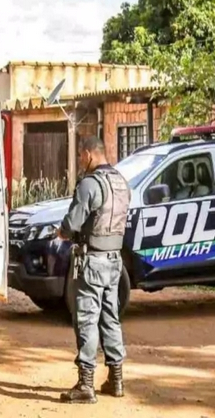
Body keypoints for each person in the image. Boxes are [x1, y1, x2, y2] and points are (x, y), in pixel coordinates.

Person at [57, 136, 131, 404]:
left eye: (80, 156)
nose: (80, 161)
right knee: (110, 317)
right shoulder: (121, 182)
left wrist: (63, 231)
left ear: (89, 154)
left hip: (92, 261)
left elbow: (73, 223)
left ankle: (86, 384)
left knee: (87, 319)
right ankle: (116, 379)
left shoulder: (90, 184)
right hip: (115, 261)